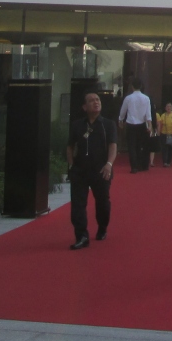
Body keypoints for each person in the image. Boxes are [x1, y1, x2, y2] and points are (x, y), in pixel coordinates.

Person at [67, 92, 117, 249]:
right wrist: (71, 165)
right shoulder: (77, 125)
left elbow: (113, 146)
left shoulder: (108, 124)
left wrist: (109, 164)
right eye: (91, 101)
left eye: (97, 100)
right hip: (80, 171)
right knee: (78, 205)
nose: (96, 102)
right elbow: (69, 146)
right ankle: (81, 236)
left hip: (101, 170)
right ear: (84, 107)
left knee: (103, 203)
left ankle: (102, 227)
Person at [118, 78, 153, 173]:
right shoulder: (146, 98)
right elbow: (148, 114)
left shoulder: (128, 98)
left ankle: (134, 166)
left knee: (131, 146)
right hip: (142, 124)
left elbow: (123, 110)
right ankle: (140, 164)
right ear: (141, 86)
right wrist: (149, 125)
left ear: (132, 86)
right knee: (140, 145)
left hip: (131, 124)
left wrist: (120, 120)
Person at [155, 101, 172, 167]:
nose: (169, 108)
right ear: (165, 108)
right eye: (167, 106)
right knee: (164, 149)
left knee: (170, 148)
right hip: (164, 134)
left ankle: (169, 161)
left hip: (171, 134)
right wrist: (159, 132)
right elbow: (160, 124)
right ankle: (165, 162)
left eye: (170, 106)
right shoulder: (163, 115)